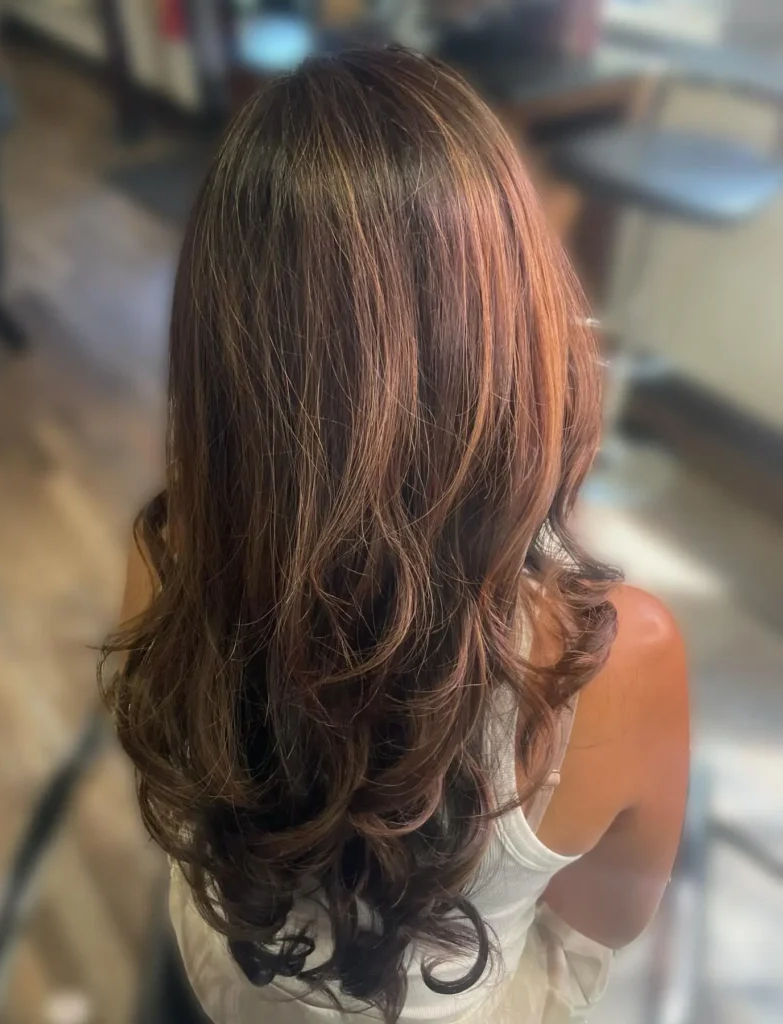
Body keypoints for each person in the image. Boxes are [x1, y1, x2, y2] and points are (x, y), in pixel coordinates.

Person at [102, 47, 689, 1024]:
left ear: (219, 351)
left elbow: (183, 804)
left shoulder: (165, 556)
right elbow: (605, 921)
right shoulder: (616, 658)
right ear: (515, 323)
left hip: (234, 972)